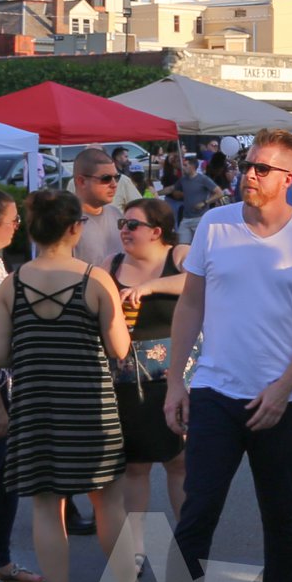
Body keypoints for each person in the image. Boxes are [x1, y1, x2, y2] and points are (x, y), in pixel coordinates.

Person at [146, 128, 292, 582]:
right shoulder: (215, 224)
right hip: (214, 392)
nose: (248, 174)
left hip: (281, 400)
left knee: (280, 513)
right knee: (197, 514)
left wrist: (283, 387)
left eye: (261, 168)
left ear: (289, 178)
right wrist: (176, 382)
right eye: (246, 164)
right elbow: (190, 307)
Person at [0, 189, 143, 582]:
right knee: (107, 501)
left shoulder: (12, 285)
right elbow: (119, 348)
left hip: (35, 407)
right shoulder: (96, 280)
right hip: (90, 407)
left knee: (45, 506)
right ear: (75, 227)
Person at [108, 198, 191, 524]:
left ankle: (189, 545)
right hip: (127, 385)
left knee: (181, 463)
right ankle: (134, 551)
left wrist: (149, 286)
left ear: (157, 231)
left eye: (132, 225)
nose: (124, 231)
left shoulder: (179, 255)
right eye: (122, 225)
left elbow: (203, 280)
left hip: (179, 382)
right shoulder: (111, 263)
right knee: (135, 467)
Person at [0, 191, 37, 582]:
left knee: (5, 479)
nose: (17, 225)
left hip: (6, 383)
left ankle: (0, 559)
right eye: (13, 218)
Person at [71, 147, 127, 268]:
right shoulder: (65, 222)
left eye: (116, 177)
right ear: (82, 181)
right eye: (106, 178)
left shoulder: (116, 214)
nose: (114, 184)